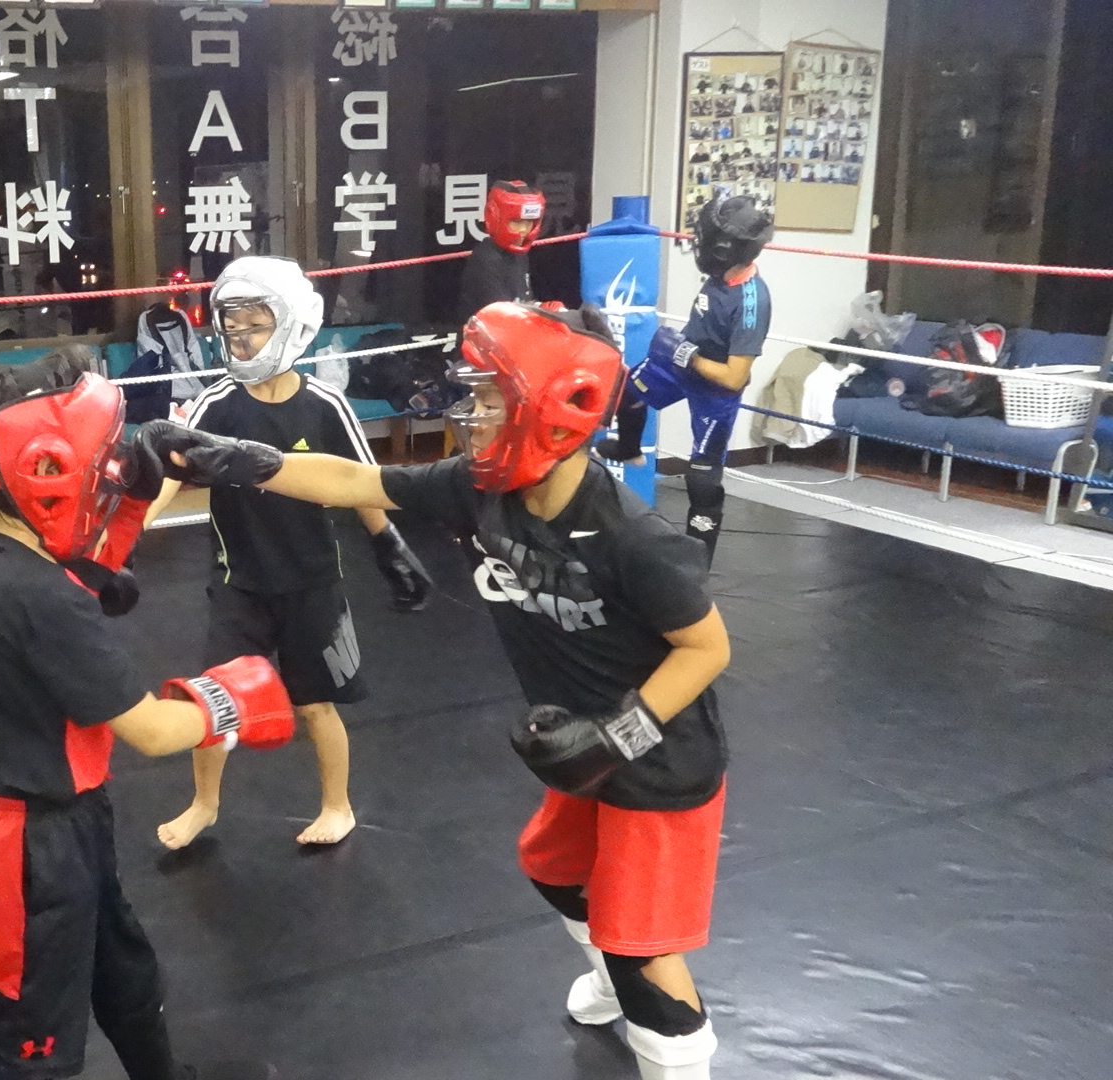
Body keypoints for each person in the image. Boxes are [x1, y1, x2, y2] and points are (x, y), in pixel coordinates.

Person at [142, 301, 733, 1080]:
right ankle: (611, 977)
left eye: (491, 401)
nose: (472, 418)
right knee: (554, 869)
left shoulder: (632, 538)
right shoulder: (478, 490)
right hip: (577, 745)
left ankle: (669, 1044)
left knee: (643, 952)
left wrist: (618, 734)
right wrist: (240, 459)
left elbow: (708, 647)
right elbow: (353, 479)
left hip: (656, 758)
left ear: (551, 413)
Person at [0, 356, 295, 1080]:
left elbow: (85, 572)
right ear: (45, 469)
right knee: (25, 1037)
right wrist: (237, 698)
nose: (105, 476)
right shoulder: (33, 596)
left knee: (125, 973)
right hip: (29, 847)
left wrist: (138, 491)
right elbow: (153, 731)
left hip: (69, 823)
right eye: (96, 463)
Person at [140, 255, 432, 849]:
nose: (241, 339)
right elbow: (172, 470)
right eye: (233, 327)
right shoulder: (216, 404)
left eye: (255, 325)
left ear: (292, 324)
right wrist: (130, 527)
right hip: (239, 582)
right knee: (212, 702)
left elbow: (361, 481)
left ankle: (337, 806)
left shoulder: (323, 404)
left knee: (316, 705)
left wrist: (389, 543)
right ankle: (203, 804)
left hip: (312, 580)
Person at [598, 194, 774, 561]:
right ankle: (629, 449)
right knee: (626, 391)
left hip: (715, 391)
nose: (699, 244)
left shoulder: (752, 303)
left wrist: (687, 356)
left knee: (702, 478)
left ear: (726, 249)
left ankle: (698, 561)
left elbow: (734, 377)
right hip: (682, 361)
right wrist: (683, 353)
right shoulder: (721, 275)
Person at [458, 180, 545, 316]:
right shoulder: (486, 259)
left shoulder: (520, 255)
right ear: (495, 218)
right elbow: (501, 316)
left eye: (529, 222)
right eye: (517, 222)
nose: (523, 229)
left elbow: (524, 302)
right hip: (488, 328)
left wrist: (545, 310)